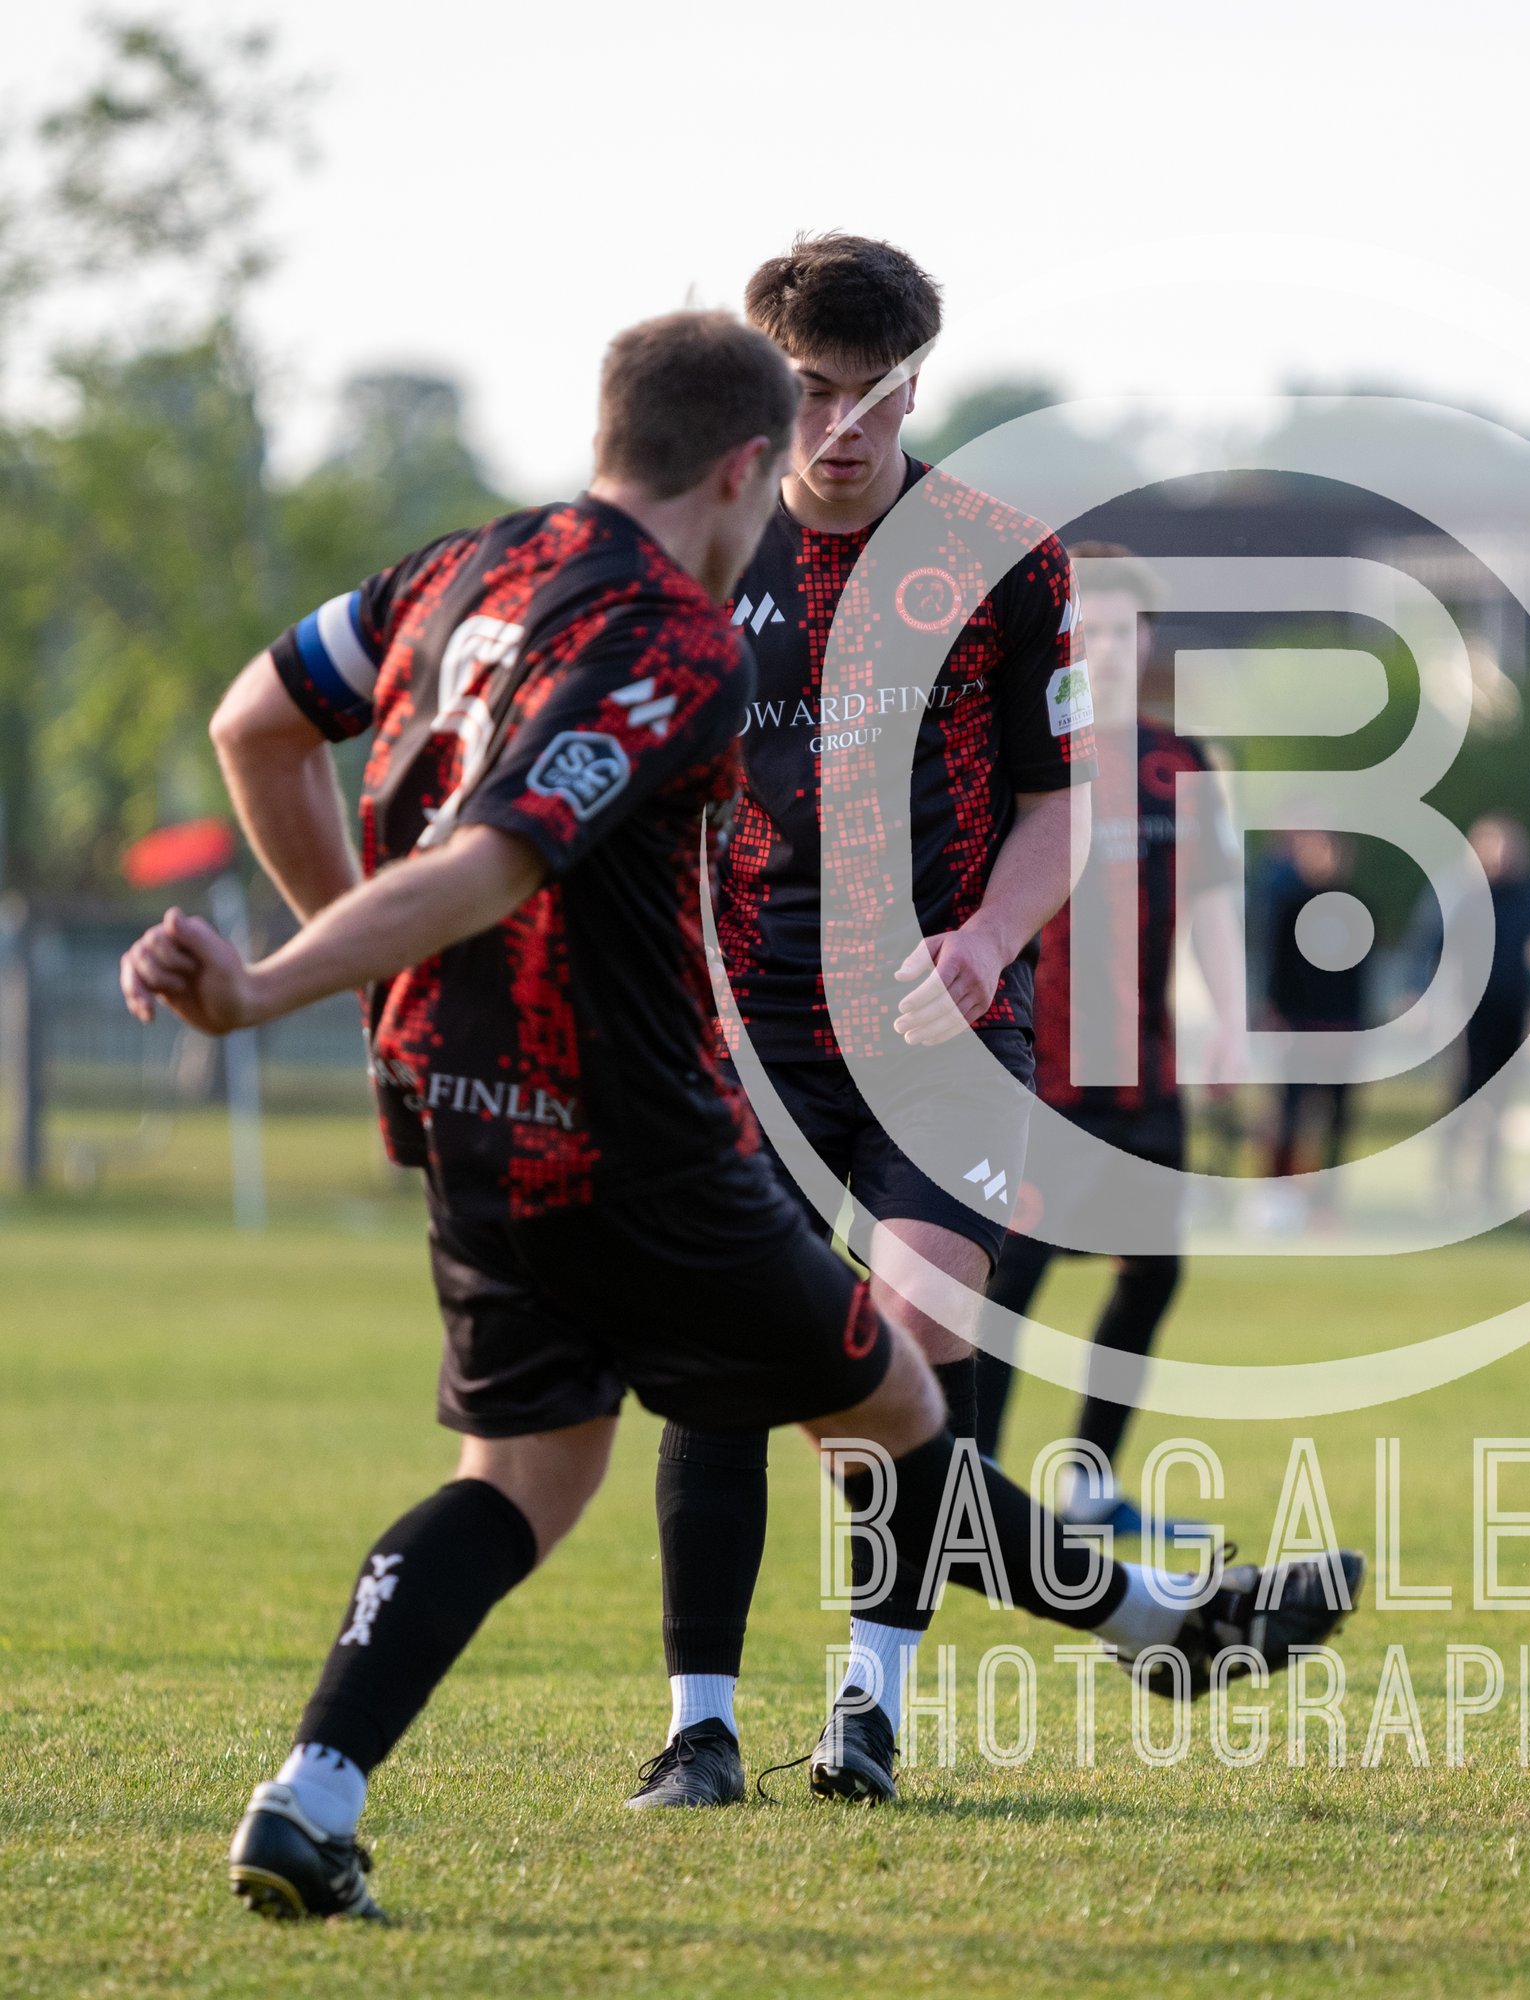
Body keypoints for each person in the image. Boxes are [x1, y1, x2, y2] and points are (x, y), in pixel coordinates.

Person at [118, 313, 977, 1921]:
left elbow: (256, 725)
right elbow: (495, 860)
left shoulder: (458, 568)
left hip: (466, 1111)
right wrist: (279, 984)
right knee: (896, 1402)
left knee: (521, 1477)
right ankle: (1153, 1623)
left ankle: (311, 1795)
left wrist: (380, 981)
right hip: (631, 1124)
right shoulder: (680, 637)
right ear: (745, 468)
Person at [637, 238, 1356, 1812]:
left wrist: (983, 942)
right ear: (763, 386)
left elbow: (1060, 805)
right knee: (724, 1368)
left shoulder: (1000, 559)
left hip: (944, 1034)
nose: (844, 430)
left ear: (919, 387)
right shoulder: (697, 541)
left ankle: (870, 1708)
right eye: (811, 393)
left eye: (877, 395)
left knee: (913, 1349)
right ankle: (701, 1730)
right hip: (745, 1031)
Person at [973, 547, 1246, 1532]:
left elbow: (1210, 901)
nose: (1109, 648)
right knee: (1012, 1272)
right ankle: (972, 1486)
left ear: (1148, 641)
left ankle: (1086, 1484)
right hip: (1039, 1070)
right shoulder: (1022, 755)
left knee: (1152, 1270)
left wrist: (1232, 1022)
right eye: (1089, 631)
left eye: (1126, 631)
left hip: (1146, 1072)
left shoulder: (1184, 765)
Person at [1410, 814, 1530, 1214]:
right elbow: (1428, 945)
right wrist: (1417, 994)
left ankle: (1487, 1186)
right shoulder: (1461, 893)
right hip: (1466, 1012)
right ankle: (1444, 1182)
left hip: (1512, 1010)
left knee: (1499, 1103)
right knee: (1462, 1097)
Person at [1262, 830, 1366, 1187]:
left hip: (1341, 1026)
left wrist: (1358, 1026)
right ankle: (1279, 1188)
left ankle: (1327, 1192)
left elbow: (1359, 976)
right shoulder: (1288, 906)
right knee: (1289, 1110)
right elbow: (1277, 969)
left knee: (1338, 1116)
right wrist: (1277, 1017)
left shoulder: (1356, 907)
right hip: (1299, 1025)